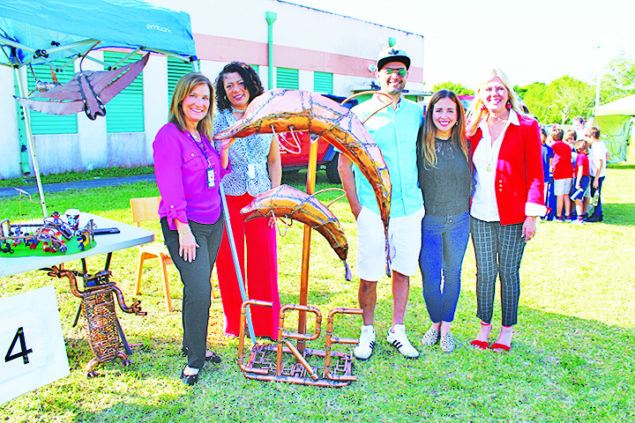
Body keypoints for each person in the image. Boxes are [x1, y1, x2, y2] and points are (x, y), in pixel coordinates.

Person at [339, 47, 424, 360]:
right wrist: (356, 208)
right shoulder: (360, 114)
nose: (395, 76)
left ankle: (397, 330)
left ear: (406, 76)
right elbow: (344, 165)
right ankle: (367, 331)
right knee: (370, 273)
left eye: (401, 70)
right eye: (389, 70)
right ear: (377, 75)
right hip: (372, 208)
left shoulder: (417, 112)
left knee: (403, 270)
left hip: (409, 206)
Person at [153, 72, 228, 385]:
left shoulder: (204, 136)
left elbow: (216, 177)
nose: (200, 103)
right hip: (185, 225)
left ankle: (193, 342)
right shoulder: (169, 135)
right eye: (194, 96)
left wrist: (223, 152)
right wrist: (183, 229)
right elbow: (170, 187)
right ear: (181, 98)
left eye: (205, 98)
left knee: (196, 289)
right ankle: (195, 360)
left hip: (214, 221)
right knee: (200, 290)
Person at [466, 68, 546, 352]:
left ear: (508, 93)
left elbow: (536, 173)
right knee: (485, 272)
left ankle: (506, 330)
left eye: (499, 89)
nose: (494, 94)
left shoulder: (525, 125)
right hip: (479, 213)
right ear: (481, 95)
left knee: (508, 272)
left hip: (513, 215)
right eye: (488, 90)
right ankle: (484, 326)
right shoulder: (473, 127)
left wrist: (532, 215)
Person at [213, 62, 282, 339]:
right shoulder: (217, 119)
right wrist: (224, 151)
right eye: (229, 85)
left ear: (250, 84)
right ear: (223, 90)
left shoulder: (268, 116)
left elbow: (274, 160)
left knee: (263, 261)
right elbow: (214, 163)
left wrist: (275, 197)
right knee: (229, 262)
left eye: (240, 83)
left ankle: (266, 324)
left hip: (262, 197)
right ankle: (236, 323)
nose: (235, 90)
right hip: (228, 196)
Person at [416, 90, 471, 353]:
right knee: (429, 277)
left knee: (453, 273)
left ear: (458, 114)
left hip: (460, 219)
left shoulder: (466, 143)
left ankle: (445, 327)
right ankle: (434, 321)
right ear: (430, 113)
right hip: (430, 220)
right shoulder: (420, 143)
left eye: (450, 110)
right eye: (439, 110)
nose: (445, 116)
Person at [585, 126, 609, 222]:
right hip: (598, 174)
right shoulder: (601, 144)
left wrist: (596, 178)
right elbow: (608, 155)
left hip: (597, 175)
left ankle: (596, 214)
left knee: (596, 195)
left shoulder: (597, 147)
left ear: (592, 136)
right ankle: (599, 213)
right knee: (595, 194)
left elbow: (600, 163)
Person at [551, 127, 573, 222]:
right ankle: (567, 214)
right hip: (568, 172)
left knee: (559, 194)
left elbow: (554, 160)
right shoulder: (567, 146)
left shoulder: (553, 146)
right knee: (566, 194)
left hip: (559, 173)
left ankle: (558, 215)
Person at [570, 139, 591, 225]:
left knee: (578, 198)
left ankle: (579, 218)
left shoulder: (581, 157)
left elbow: (581, 170)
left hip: (582, 178)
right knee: (577, 198)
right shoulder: (585, 156)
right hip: (585, 178)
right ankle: (577, 215)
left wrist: (578, 181)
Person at [540, 128, 555, 220]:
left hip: (544, 175)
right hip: (533, 176)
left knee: (543, 195)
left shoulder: (549, 149)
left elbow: (551, 162)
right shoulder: (532, 147)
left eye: (541, 134)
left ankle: (541, 214)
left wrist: (550, 171)